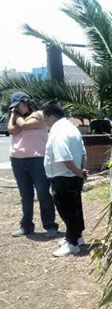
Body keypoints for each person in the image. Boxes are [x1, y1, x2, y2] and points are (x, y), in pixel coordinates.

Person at [7, 91, 58, 238]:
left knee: (43, 193)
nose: (17, 109)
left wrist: (15, 117)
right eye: (14, 107)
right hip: (17, 159)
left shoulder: (40, 115)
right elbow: (12, 130)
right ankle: (26, 226)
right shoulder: (17, 118)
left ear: (26, 102)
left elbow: (25, 125)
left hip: (38, 159)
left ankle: (50, 225)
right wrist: (14, 115)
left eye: (18, 106)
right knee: (25, 195)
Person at [42, 101, 88, 257]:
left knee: (67, 212)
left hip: (63, 177)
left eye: (45, 117)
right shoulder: (71, 128)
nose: (44, 121)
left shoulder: (58, 131)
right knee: (75, 209)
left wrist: (77, 172)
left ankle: (72, 243)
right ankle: (77, 237)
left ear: (52, 117)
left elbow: (65, 158)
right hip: (74, 176)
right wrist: (81, 171)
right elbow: (83, 153)